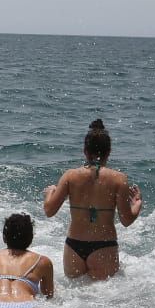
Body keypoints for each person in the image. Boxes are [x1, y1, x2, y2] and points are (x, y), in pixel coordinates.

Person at [42, 119, 142, 281]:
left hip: (73, 246)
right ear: (109, 152)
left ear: (84, 151)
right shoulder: (119, 179)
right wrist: (137, 204)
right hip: (104, 246)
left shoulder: (70, 176)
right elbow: (126, 220)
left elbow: (49, 210)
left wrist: (51, 192)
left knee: (74, 298)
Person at [0, 213, 54, 308]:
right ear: (31, 239)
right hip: (29, 306)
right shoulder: (43, 262)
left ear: (4, 238)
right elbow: (48, 296)